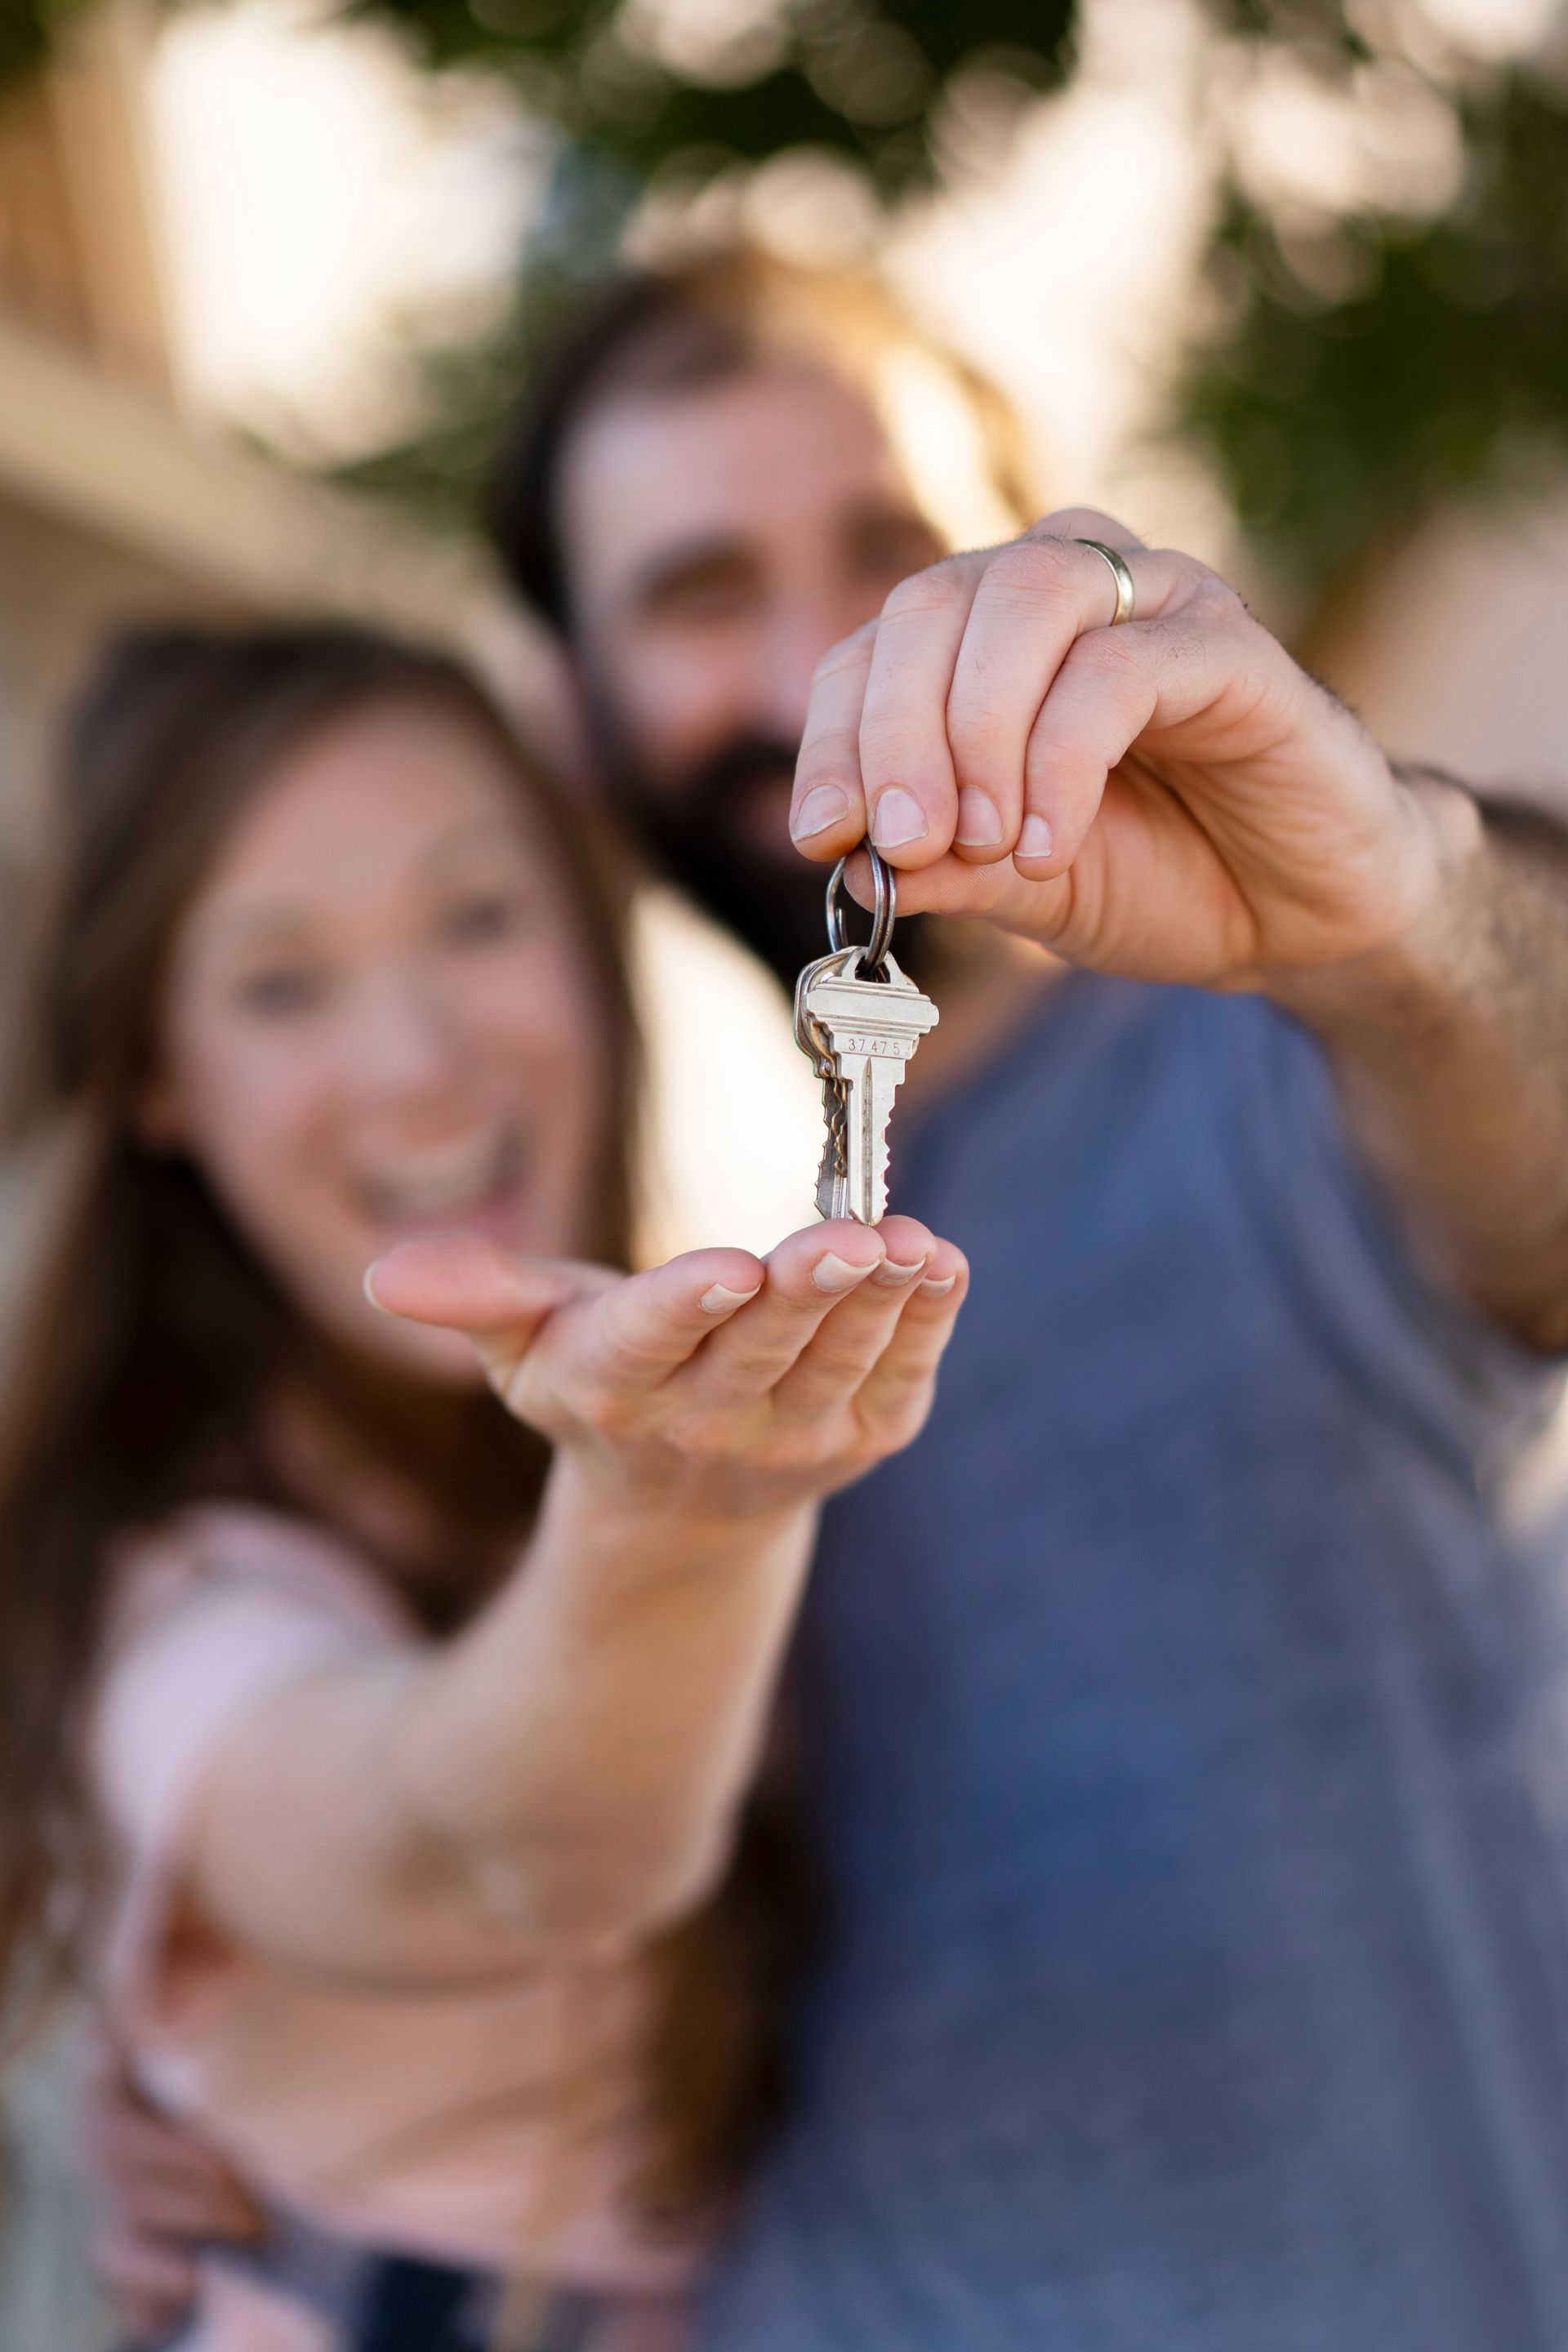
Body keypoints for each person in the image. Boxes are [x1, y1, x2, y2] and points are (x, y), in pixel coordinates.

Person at [97, 252, 1568, 2350]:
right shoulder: (675, 1265)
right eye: (698, 593)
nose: (811, 663)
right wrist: (261, 2106)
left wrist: (1400, 905)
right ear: (572, 714)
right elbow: (459, 1829)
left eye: (891, 557)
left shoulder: (1304, 1065)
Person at [0, 623, 965, 2351]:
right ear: (158, 1076)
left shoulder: (685, 1360)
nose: (417, 1059)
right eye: (283, 983)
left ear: (595, 951)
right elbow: (477, 1839)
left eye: (477, 916)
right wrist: (675, 1524)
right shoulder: (169, 1584)